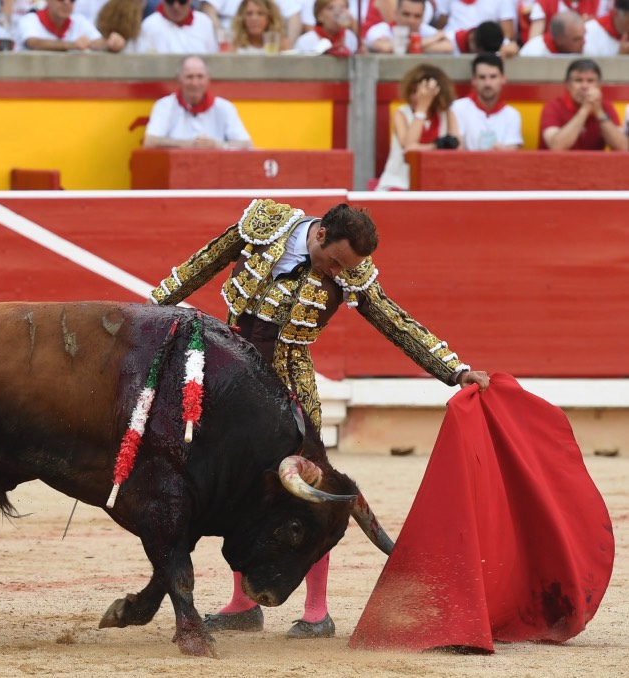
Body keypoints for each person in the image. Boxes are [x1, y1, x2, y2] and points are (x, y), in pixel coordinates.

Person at [149, 199, 489, 639]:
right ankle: (243, 603)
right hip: (230, 381)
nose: (338, 273)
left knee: (311, 493)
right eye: (334, 262)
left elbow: (394, 321)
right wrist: (151, 312)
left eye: (346, 268)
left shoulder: (352, 272)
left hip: (288, 385)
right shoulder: (264, 226)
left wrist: (453, 370)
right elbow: (202, 264)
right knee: (236, 489)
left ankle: (317, 612)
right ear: (320, 235)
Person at [376, 63, 461, 192]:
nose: (418, 96)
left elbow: (457, 146)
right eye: (415, 91)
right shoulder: (402, 113)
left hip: (435, 185)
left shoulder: (446, 114)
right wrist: (422, 108)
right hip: (399, 184)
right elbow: (409, 148)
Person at [143, 55, 254, 149]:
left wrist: (217, 145)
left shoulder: (224, 107)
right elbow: (149, 142)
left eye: (200, 77)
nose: (195, 83)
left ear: (208, 79)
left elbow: (247, 144)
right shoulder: (164, 106)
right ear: (179, 79)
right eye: (189, 77)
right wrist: (187, 144)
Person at [538, 58, 628, 151]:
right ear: (568, 85)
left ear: (599, 85)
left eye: (590, 81)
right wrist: (585, 110)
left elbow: (623, 148)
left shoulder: (605, 106)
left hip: (594, 164)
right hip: (555, 165)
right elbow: (557, 146)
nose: (584, 86)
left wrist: (599, 112)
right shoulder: (553, 107)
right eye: (578, 80)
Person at [451, 53, 523, 151]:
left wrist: (502, 150)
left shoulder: (512, 115)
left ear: (503, 79)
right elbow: (456, 149)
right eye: (482, 77)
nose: (488, 83)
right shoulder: (457, 108)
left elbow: (512, 151)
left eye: (493, 77)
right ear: (474, 80)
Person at [17, 0, 127, 51]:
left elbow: (97, 42)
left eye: (72, 0)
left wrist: (111, 43)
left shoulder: (79, 21)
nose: (67, 3)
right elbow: (33, 43)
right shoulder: (30, 19)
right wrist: (72, 45)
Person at [365, 0, 454, 53]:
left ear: (423, 17)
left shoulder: (424, 29)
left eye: (417, 16)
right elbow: (385, 47)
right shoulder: (380, 30)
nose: (411, 20)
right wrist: (431, 40)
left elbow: (448, 46)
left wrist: (399, 47)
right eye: (406, 14)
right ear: (396, 14)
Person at [135, 0, 218, 53]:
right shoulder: (149, 25)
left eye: (182, 1)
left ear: (190, 1)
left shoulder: (204, 22)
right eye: (170, 1)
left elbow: (212, 57)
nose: (176, 6)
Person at [293, 0, 357, 55]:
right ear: (320, 16)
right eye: (331, 8)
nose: (337, 13)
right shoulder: (305, 42)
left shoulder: (350, 38)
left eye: (342, 8)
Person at [520, 10, 585, 54]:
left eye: (582, 37)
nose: (583, 43)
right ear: (559, 40)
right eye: (576, 39)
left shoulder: (586, 46)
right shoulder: (534, 51)